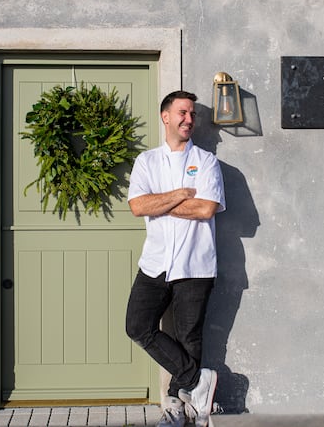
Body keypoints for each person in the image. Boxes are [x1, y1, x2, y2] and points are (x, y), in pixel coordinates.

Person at [125, 90, 226, 427]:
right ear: (165, 116)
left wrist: (162, 202)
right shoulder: (147, 161)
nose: (189, 119)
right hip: (154, 263)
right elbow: (138, 206)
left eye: (192, 114)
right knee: (138, 327)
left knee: (189, 337)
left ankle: (179, 409)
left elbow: (206, 208)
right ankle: (199, 382)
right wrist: (180, 194)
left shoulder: (207, 161)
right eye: (182, 112)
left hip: (195, 264)